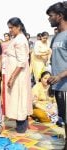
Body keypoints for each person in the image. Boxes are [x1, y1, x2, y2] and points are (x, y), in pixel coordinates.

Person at [5, 17, 32, 136]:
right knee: (16, 99)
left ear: (18, 27)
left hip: (18, 76)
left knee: (19, 99)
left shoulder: (20, 40)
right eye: (9, 28)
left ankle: (21, 127)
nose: (10, 30)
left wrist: (12, 77)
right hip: (16, 74)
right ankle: (20, 125)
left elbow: (21, 62)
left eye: (11, 28)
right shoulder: (17, 38)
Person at [46, 2, 67, 149]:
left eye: (51, 16)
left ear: (59, 16)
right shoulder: (56, 37)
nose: (49, 19)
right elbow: (54, 62)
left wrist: (59, 76)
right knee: (64, 118)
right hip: (59, 86)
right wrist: (52, 83)